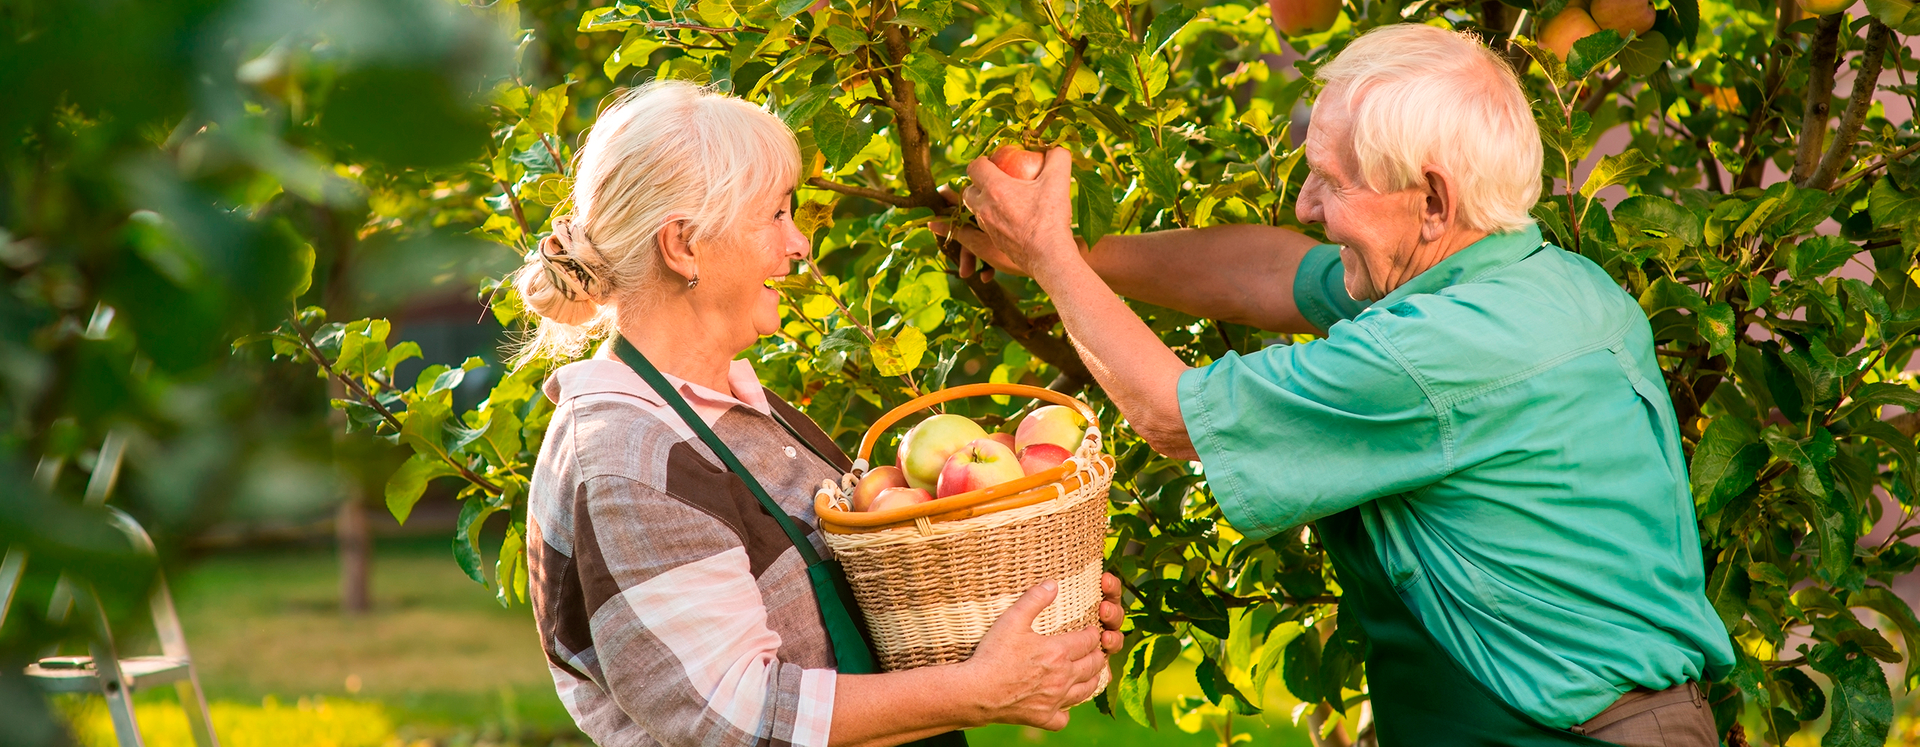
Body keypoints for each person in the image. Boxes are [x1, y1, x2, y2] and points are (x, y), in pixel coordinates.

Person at [940, 24, 1735, 747]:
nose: (1306, 203)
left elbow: (1169, 415)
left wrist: (1049, 256)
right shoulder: (1546, 281)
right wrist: (1083, 251)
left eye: (1332, 181)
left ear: (1431, 200)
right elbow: (1273, 270)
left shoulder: (1433, 354)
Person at [515, 81, 1122, 747]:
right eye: (775, 215)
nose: (799, 244)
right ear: (683, 245)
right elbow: (735, 717)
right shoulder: (631, 461)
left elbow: (846, 623)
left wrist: (1024, 608)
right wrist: (979, 689)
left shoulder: (727, 408)